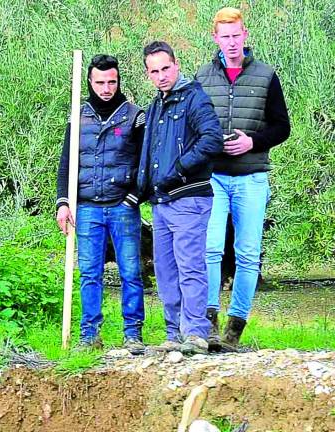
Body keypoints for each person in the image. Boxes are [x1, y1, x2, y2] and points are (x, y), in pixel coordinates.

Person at [196, 7, 291, 351]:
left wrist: (253, 141)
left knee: (248, 253)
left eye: (237, 35)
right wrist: (210, 143)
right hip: (214, 176)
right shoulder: (202, 76)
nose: (232, 42)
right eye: (226, 36)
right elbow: (194, 124)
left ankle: (234, 329)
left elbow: (282, 126)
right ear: (216, 38)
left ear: (245, 35)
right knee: (210, 249)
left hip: (252, 176)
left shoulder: (266, 76)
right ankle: (207, 323)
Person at [56, 54, 146, 353]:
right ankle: (89, 334)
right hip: (87, 206)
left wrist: (135, 195)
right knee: (90, 273)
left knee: (130, 271)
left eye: (112, 81)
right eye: (100, 82)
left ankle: (133, 333)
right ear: (90, 82)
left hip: (123, 206)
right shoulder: (77, 115)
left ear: (119, 81)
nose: (106, 88)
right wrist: (63, 202)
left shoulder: (135, 116)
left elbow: (146, 161)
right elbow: (66, 162)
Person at [138, 41, 223, 355]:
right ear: (148, 74)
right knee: (165, 270)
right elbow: (151, 151)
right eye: (154, 71)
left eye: (165, 68)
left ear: (176, 64)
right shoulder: (156, 105)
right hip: (161, 201)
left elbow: (212, 139)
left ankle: (196, 334)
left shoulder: (194, 98)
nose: (161, 75)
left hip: (189, 197)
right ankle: (174, 334)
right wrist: (144, 185)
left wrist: (180, 168)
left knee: (190, 267)